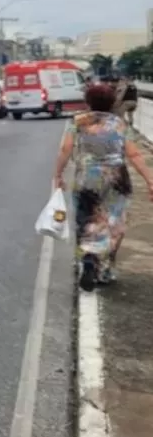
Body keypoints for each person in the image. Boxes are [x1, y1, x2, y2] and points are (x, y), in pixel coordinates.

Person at [52, 83, 153, 291]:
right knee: (114, 222)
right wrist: (150, 179)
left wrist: (58, 174)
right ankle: (105, 269)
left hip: (86, 178)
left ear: (88, 102)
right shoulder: (120, 124)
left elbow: (66, 149)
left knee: (86, 220)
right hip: (116, 179)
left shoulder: (77, 122)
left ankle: (89, 259)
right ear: (112, 103)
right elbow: (133, 154)